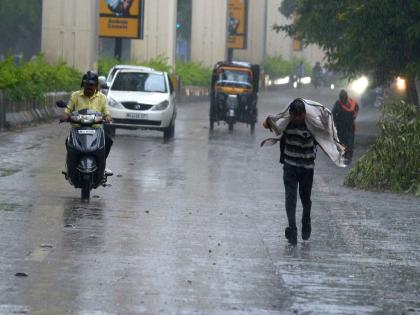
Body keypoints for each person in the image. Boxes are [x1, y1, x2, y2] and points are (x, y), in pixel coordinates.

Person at [262, 98, 346, 246]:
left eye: (299, 116)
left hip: (307, 168)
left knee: (306, 199)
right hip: (290, 167)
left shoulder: (313, 126)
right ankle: (292, 229)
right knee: (290, 199)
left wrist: (326, 119)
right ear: (291, 114)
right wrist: (269, 121)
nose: (297, 119)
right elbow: (271, 125)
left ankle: (306, 221)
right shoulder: (286, 124)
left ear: (305, 114)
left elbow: (326, 134)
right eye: (294, 116)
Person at [61, 71, 113, 174]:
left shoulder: (102, 97)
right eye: (87, 84)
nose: (89, 87)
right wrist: (65, 116)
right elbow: (68, 110)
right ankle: (69, 167)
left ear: (96, 85)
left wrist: (107, 117)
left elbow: (106, 111)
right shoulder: (75, 96)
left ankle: (103, 166)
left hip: (96, 129)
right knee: (68, 141)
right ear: (83, 84)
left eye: (91, 85)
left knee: (108, 141)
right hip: (77, 129)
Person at [332, 89, 359, 164]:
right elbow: (333, 113)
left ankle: (348, 156)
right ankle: (345, 156)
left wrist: (355, 115)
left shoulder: (349, 103)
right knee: (344, 141)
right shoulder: (339, 103)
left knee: (348, 141)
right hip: (342, 126)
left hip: (347, 126)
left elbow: (333, 113)